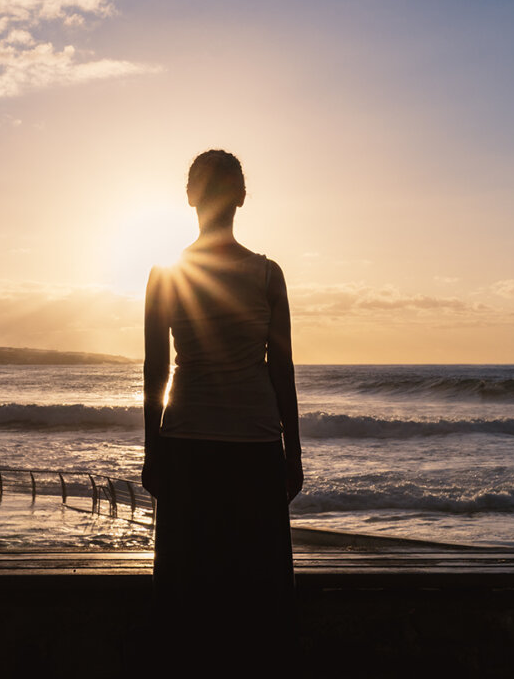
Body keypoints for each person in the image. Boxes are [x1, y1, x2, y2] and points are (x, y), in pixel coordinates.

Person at [142, 149, 302, 663]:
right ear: (241, 198)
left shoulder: (165, 274)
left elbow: (155, 370)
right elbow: (281, 370)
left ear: (191, 197)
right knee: (258, 591)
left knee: (186, 588)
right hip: (255, 446)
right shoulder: (267, 275)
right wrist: (293, 454)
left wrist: (152, 452)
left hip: (186, 443)